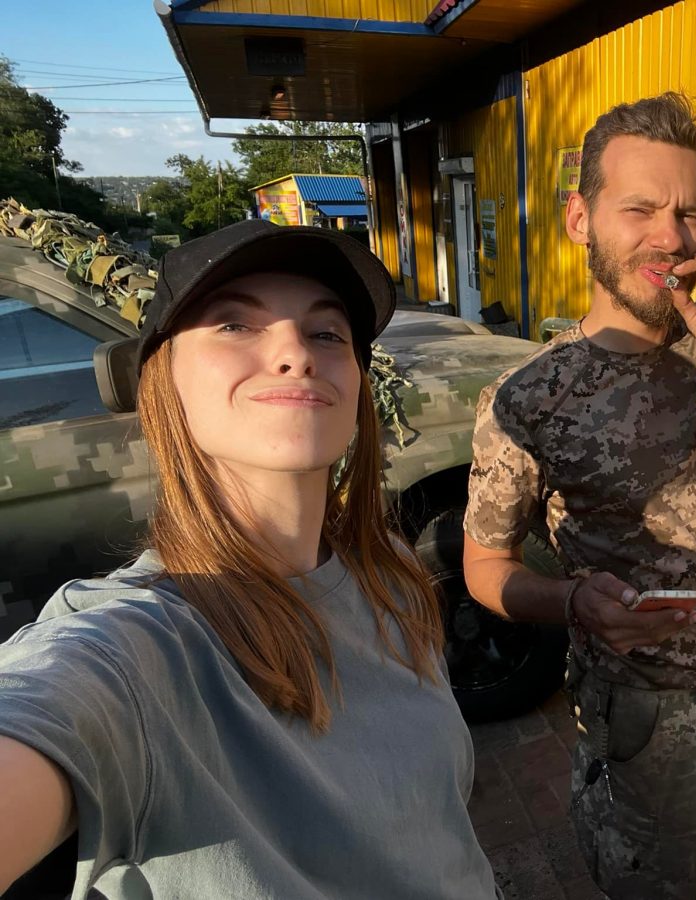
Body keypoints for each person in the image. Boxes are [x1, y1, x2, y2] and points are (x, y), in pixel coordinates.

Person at [0, 221, 497, 899]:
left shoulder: (393, 581)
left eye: (327, 332)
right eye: (234, 324)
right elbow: (42, 708)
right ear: (163, 380)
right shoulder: (133, 652)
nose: (295, 351)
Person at [462, 92, 696, 899]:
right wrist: (572, 601)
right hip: (636, 717)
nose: (671, 237)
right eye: (640, 209)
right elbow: (484, 567)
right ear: (580, 220)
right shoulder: (527, 398)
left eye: (689, 213)